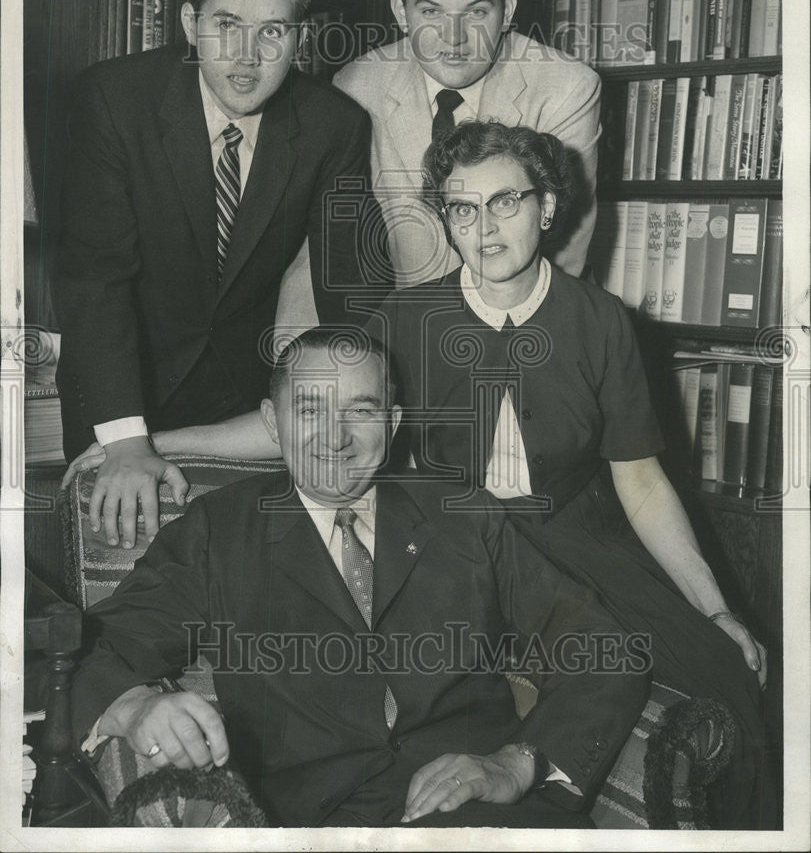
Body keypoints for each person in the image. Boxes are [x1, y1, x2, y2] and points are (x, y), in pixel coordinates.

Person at [70, 121, 771, 826]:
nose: (486, 229)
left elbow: (640, 478)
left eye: (506, 203)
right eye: (463, 209)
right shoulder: (405, 320)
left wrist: (710, 607)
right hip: (447, 542)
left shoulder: (600, 322)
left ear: (547, 208)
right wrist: (144, 440)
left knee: (726, 676)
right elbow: (318, 410)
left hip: (567, 545)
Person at [72, 327, 647, 828]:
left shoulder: (467, 515)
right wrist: (136, 707)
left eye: (363, 410)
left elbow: (601, 647)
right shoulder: (219, 528)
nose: (336, 436)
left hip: (482, 818)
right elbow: (93, 650)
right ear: (273, 422)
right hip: (307, 823)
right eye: (310, 409)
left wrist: (518, 762)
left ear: (393, 423)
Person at [54, 0, 389, 545]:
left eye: (273, 32)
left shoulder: (334, 126)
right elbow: (94, 280)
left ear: (298, 37)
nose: (247, 57)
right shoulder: (113, 99)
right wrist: (127, 442)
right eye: (227, 25)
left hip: (243, 406)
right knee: (128, 585)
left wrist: (362, 423)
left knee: (251, 582)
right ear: (190, 23)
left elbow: (355, 297)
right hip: (119, 391)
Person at [331, 0, 602, 287]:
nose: (454, 38)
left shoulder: (566, 86)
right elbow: (339, 244)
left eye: (476, 12)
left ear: (506, 11)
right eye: (431, 12)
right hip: (397, 322)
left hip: (525, 320)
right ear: (400, 12)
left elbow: (565, 246)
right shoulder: (356, 86)